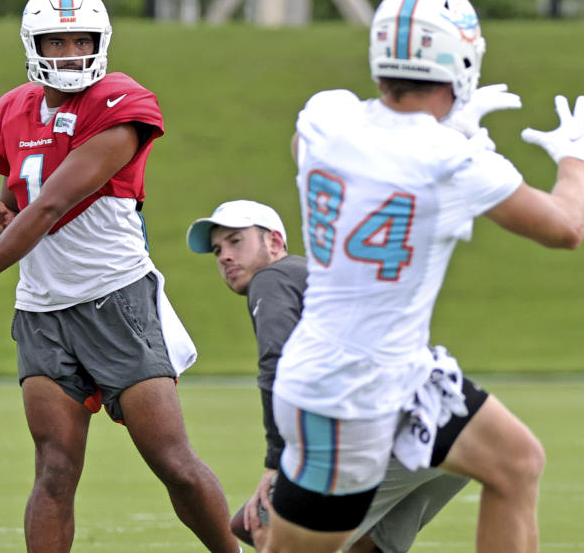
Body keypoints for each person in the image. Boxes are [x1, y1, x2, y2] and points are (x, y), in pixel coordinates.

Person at [263, 0, 584, 553]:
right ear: (463, 62)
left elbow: (312, 152)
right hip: (349, 392)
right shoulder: (450, 159)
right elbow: (566, 227)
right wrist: (574, 159)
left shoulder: (329, 116)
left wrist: (442, 131)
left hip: (397, 372)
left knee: (516, 462)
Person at [0, 0, 239, 553]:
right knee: (54, 469)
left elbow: (52, 202)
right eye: (57, 40)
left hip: (115, 298)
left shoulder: (120, 101)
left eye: (82, 38)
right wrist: (5, 215)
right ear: (34, 45)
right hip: (43, 309)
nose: (71, 51)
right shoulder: (9, 111)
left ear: (102, 41)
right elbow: (23, 189)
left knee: (171, 461)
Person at [187, 199, 493, 551]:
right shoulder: (311, 275)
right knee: (366, 547)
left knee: (263, 527)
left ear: (274, 242)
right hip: (455, 424)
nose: (224, 256)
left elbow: (276, 363)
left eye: (236, 241)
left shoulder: (272, 278)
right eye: (217, 249)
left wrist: (277, 462)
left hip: (402, 426)